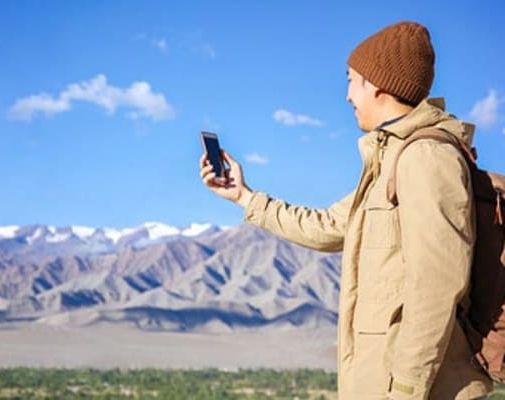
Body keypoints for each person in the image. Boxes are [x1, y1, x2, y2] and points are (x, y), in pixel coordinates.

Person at [200, 21, 493, 399]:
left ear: (377, 85)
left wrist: (406, 390)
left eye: (351, 80)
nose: (347, 95)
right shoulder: (389, 161)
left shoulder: (426, 157)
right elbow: (325, 226)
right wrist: (244, 196)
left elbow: (437, 284)